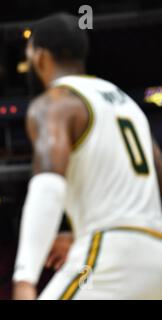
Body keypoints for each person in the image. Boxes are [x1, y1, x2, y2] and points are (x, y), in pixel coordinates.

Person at [12, 13, 162, 300]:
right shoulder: (128, 104)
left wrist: (24, 279)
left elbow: (48, 187)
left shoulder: (54, 104)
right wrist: (84, 232)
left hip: (111, 256)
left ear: (41, 58)